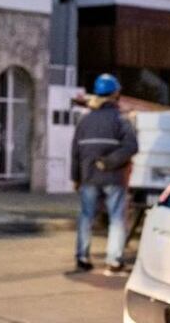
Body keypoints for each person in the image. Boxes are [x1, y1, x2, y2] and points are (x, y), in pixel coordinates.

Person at [70, 73, 138, 275]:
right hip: (113, 178)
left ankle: (82, 258)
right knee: (117, 218)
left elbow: (75, 152)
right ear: (116, 93)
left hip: (88, 177)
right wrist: (109, 163)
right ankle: (114, 261)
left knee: (86, 217)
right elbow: (131, 146)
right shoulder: (121, 120)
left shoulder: (85, 120)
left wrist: (75, 177)